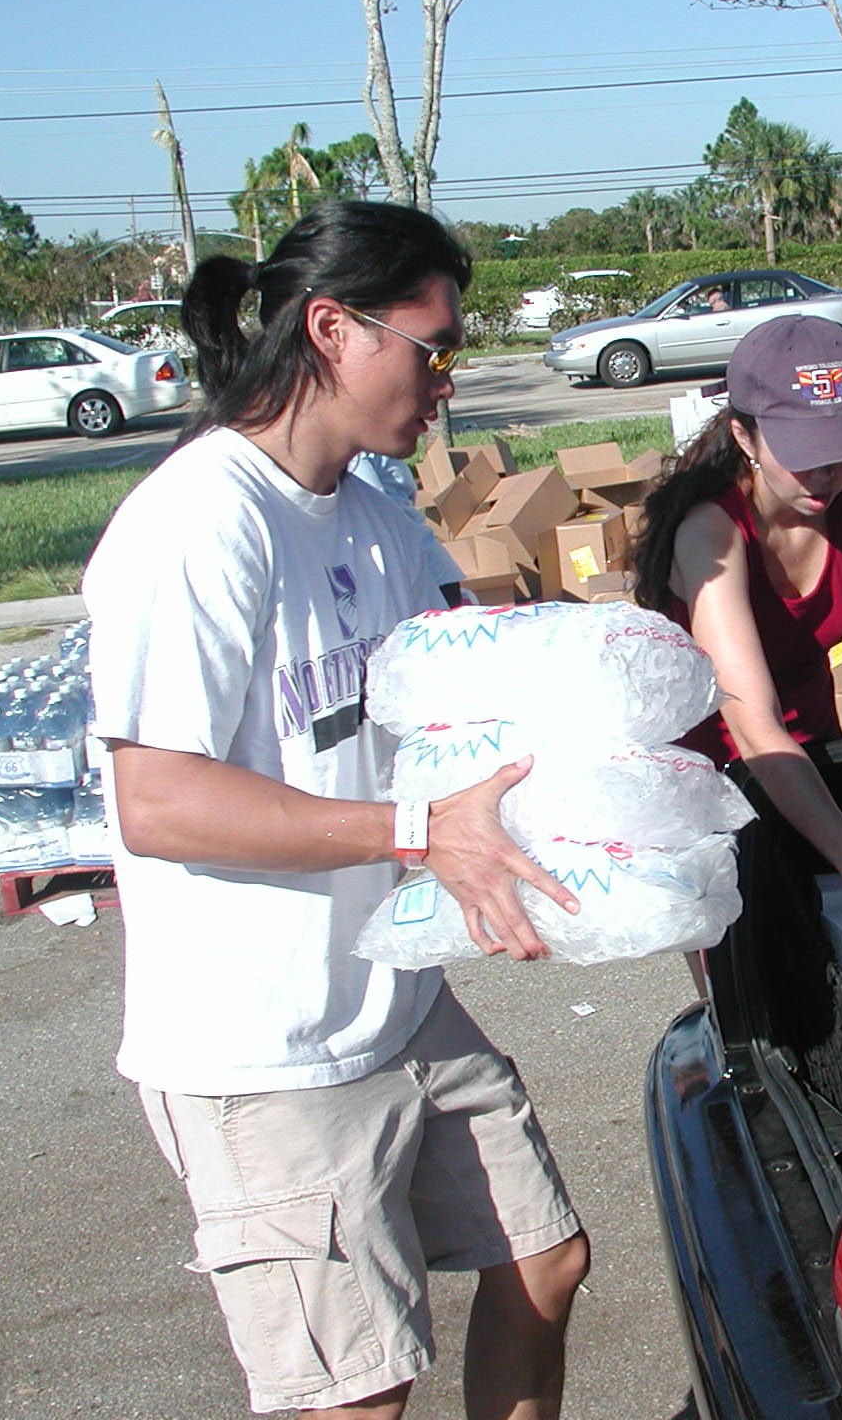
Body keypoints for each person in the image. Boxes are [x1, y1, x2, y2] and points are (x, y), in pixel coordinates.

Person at [83, 200, 588, 1420]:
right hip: (265, 1040)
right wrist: (419, 834)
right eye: (433, 345)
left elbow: (466, 677)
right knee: (358, 1391)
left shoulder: (371, 513)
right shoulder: (198, 523)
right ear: (333, 330)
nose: (445, 378)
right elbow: (156, 802)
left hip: (392, 997)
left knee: (544, 1257)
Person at [633, 315, 842, 985]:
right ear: (744, 435)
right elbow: (750, 722)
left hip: (812, 750)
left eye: (840, 447)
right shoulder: (712, 530)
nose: (826, 474)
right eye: (803, 452)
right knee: (750, 979)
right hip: (714, 774)